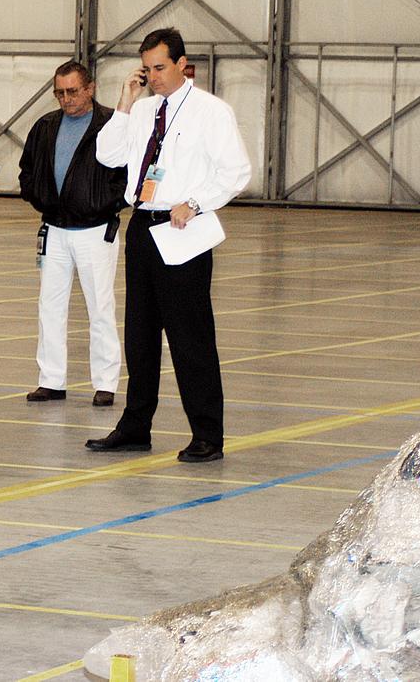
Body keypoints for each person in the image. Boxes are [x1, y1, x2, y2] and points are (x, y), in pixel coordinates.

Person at [84, 28, 249, 463]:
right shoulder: (141, 111)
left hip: (183, 233)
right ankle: (136, 426)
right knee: (140, 335)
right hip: (142, 226)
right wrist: (124, 101)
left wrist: (194, 203)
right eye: (147, 69)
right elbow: (107, 155)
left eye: (160, 68)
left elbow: (236, 172)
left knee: (190, 338)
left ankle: (208, 435)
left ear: (181, 64)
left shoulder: (211, 112)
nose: (153, 76)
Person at [18, 61, 127, 407]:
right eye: (60, 93)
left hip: (96, 231)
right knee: (49, 306)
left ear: (90, 88)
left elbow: (127, 172)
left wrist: (104, 203)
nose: (66, 99)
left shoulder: (112, 123)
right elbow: (27, 169)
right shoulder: (45, 126)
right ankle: (51, 380)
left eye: (73, 91)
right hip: (54, 229)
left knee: (100, 306)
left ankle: (106, 382)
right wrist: (40, 197)